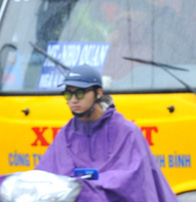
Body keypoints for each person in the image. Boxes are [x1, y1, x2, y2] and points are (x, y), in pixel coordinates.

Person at [34, 65, 178, 202]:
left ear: (99, 93)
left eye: (80, 93)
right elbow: (46, 178)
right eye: (68, 94)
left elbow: (134, 183)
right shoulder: (66, 133)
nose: (73, 100)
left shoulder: (127, 132)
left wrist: (83, 185)